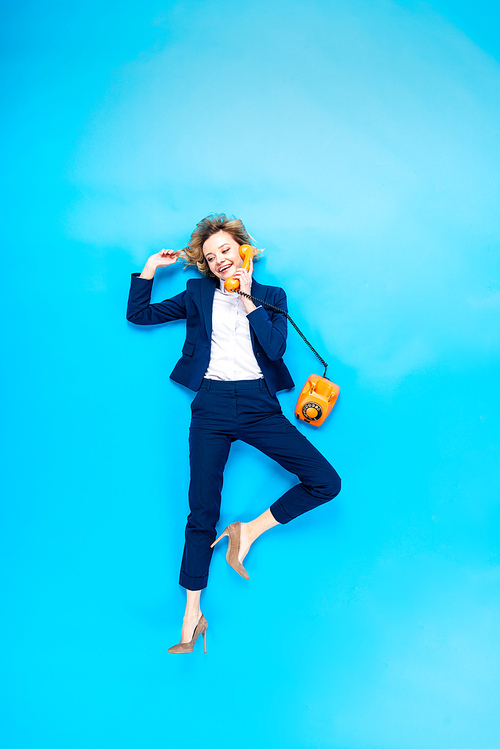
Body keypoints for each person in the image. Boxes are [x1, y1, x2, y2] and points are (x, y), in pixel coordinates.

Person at [126, 214, 341, 653]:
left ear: (243, 249)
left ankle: (249, 531)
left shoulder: (270, 296)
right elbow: (140, 314)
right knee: (201, 509)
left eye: (226, 250)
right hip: (211, 406)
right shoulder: (196, 292)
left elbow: (276, 348)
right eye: (210, 256)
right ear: (204, 265)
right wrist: (149, 269)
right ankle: (192, 612)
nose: (219, 259)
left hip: (260, 406)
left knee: (326, 481)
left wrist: (245, 297)